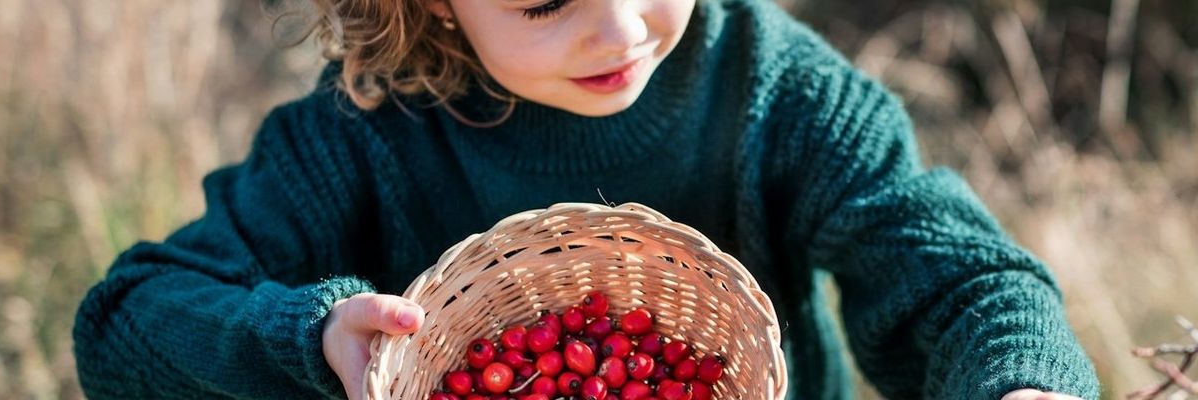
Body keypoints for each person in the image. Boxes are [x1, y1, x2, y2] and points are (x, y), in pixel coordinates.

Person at [72, 0, 1101, 399]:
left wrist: (1021, 384)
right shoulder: (361, 130)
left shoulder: (777, 87)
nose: (618, 32)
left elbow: (961, 277)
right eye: (545, 1)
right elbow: (127, 321)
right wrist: (309, 334)